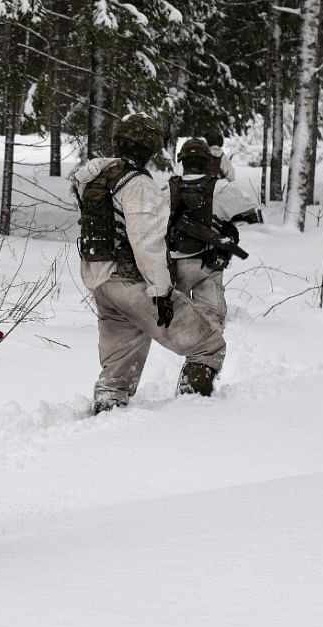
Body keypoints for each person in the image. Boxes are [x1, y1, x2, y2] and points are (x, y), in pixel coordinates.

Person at [72, 114, 226, 413]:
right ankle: (196, 413)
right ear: (150, 147)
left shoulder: (96, 177)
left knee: (117, 373)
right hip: (135, 284)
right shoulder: (138, 183)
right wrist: (162, 290)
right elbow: (146, 241)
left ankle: (106, 417)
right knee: (208, 345)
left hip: (101, 281)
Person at [165, 138, 255, 394]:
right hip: (206, 265)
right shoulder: (220, 188)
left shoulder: (169, 187)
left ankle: (193, 364)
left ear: (183, 161)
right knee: (211, 317)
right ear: (206, 161)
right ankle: (198, 375)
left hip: (173, 265)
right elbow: (251, 209)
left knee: (181, 318)